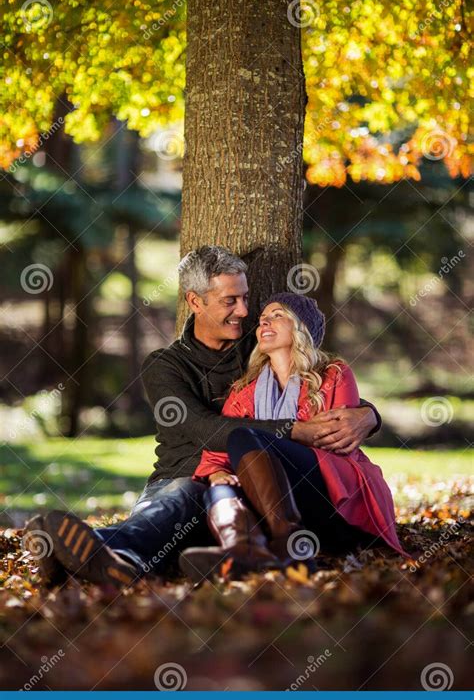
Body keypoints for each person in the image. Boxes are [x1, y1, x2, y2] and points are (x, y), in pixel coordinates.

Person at [23, 247, 382, 588]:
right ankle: (112, 557)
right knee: (175, 504)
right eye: (230, 301)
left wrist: (368, 415)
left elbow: (309, 382)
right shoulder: (166, 366)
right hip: (182, 477)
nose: (243, 311)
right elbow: (204, 428)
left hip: (246, 485)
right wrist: (295, 431)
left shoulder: (255, 348)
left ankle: (97, 553)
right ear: (195, 302)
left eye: (244, 298)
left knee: (187, 519)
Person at [180, 293, 409, 582]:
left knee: (244, 436)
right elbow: (215, 457)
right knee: (220, 488)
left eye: (277, 315)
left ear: (301, 327)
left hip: (332, 501)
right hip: (278, 507)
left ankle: (284, 546)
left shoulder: (332, 375)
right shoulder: (243, 391)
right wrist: (216, 475)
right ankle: (246, 550)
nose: (264, 320)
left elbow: (335, 440)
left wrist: (266, 443)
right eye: (263, 318)